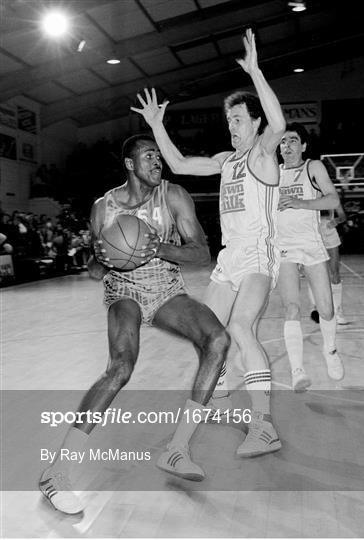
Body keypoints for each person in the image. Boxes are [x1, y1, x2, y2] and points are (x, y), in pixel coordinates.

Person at [39, 134, 230, 514]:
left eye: (159, 156)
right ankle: (56, 472)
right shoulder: (102, 207)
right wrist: (102, 258)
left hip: (166, 289)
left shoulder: (174, 195)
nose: (157, 161)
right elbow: (95, 270)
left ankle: (177, 450)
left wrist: (158, 247)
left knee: (218, 340)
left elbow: (202, 252)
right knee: (120, 368)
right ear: (130, 164)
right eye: (148, 156)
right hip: (123, 290)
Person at [131, 28, 285, 458]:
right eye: (229, 121)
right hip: (229, 258)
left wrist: (254, 72)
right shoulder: (225, 161)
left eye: (237, 120)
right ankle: (215, 401)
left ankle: (265, 427)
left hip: (258, 255)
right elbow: (178, 162)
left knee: (240, 327)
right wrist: (158, 125)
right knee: (209, 335)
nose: (231, 126)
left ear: (253, 124)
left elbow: (279, 123)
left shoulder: (261, 155)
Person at [276, 122, 345, 392]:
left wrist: (301, 203)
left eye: (293, 140)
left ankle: (330, 351)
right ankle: (297, 370)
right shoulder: (272, 173)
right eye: (283, 142)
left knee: (326, 309)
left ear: (303, 146)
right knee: (291, 307)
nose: (287, 146)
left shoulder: (312, 167)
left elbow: (332, 200)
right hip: (283, 246)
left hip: (311, 243)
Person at [309, 201, 348, 325]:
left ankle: (338, 310)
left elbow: (342, 216)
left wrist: (335, 221)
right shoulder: (310, 194)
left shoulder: (331, 196)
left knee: (334, 274)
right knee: (314, 274)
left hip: (329, 233)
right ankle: (317, 308)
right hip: (313, 233)